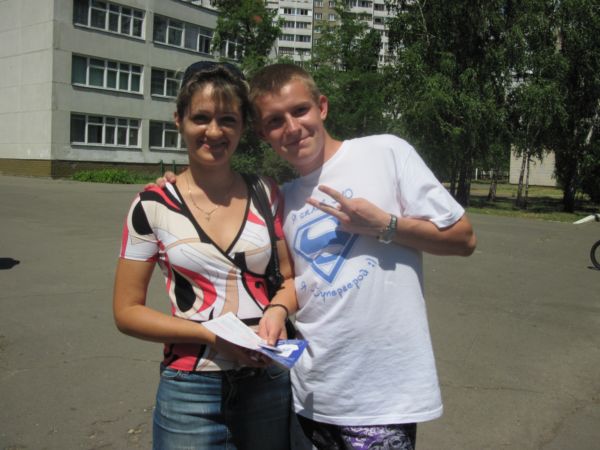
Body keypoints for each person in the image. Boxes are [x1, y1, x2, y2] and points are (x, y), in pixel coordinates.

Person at [161, 63, 476, 450]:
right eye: (275, 121)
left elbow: (463, 238)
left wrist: (386, 224)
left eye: (300, 110)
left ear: (321, 107)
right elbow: (296, 281)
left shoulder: (385, 152)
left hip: (381, 399)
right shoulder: (282, 197)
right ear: (262, 133)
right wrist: (278, 310)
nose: (292, 128)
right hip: (309, 395)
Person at [113, 62, 295, 450]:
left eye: (228, 120)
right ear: (178, 119)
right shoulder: (151, 206)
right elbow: (126, 312)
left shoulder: (267, 194)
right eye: (201, 118)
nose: (214, 131)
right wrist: (208, 334)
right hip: (189, 390)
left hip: (267, 383)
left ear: (243, 127)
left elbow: (291, 279)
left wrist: (278, 312)